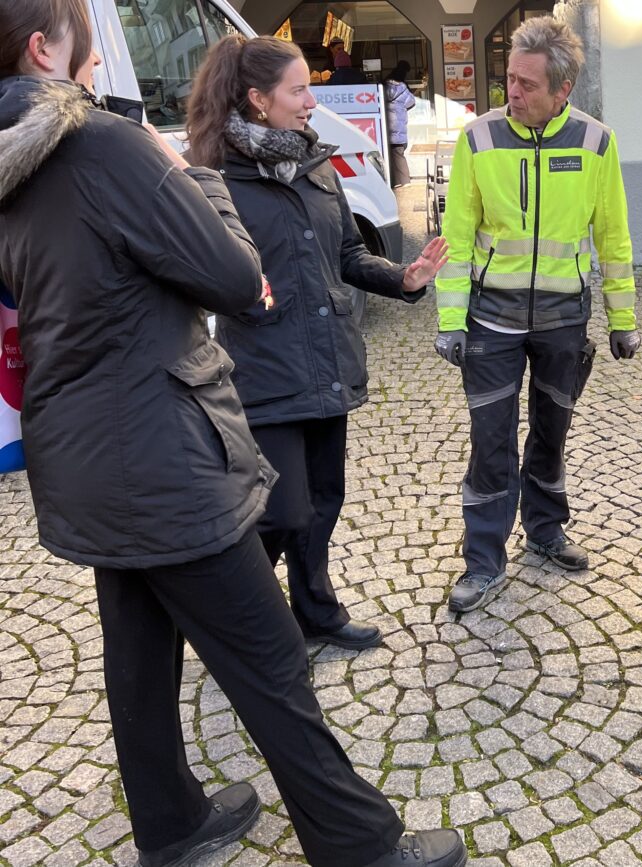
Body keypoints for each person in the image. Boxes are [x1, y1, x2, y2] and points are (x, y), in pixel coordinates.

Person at [0, 3, 465, 866]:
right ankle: (363, 847)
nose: (96, 67)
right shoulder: (104, 145)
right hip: (160, 454)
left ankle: (172, 824)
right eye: (87, 48)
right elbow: (234, 276)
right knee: (272, 656)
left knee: (139, 652)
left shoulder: (12, 164)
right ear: (43, 49)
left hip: (81, 451)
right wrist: (190, 176)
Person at [186, 35, 447, 652]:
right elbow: (205, 276)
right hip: (263, 368)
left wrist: (403, 279)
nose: (312, 102)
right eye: (299, 90)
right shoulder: (216, 179)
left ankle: (316, 612)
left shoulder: (316, 165)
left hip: (328, 360)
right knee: (280, 511)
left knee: (325, 499)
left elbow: (348, 254)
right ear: (258, 99)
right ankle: (240, 625)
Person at [433, 15, 640, 613]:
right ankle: (483, 559)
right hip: (491, 320)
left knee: (551, 433)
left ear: (562, 90)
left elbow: (614, 237)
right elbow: (457, 236)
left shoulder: (596, 143)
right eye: (510, 80)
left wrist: (623, 319)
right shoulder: (479, 139)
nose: (513, 93)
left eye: (527, 84)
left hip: (562, 320)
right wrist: (451, 320)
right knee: (490, 441)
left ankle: (545, 530)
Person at [385, 60, 416, 187]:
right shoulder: (403, 88)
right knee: (399, 153)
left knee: (389, 154)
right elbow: (411, 102)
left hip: (386, 126)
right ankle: (405, 180)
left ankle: (395, 181)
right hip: (398, 125)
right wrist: (401, 107)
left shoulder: (383, 86)